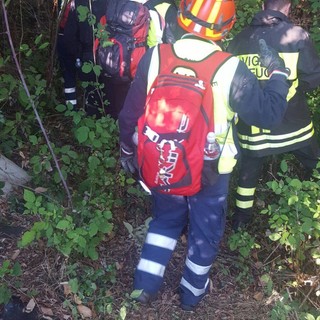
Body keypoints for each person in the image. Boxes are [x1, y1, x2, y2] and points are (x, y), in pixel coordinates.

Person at [118, 0, 290, 312]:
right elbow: (270, 114)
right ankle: (191, 294)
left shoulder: (156, 56)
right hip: (210, 171)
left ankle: (144, 286)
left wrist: (127, 151)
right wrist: (278, 71)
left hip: (162, 161)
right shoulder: (230, 68)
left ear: (182, 17)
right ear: (226, 28)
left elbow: (129, 115)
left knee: (165, 220)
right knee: (205, 231)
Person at [227, 0, 320, 231]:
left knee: (247, 176)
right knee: (314, 161)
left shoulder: (239, 39)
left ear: (262, 4)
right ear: (287, 8)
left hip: (253, 130)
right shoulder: (297, 35)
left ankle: (240, 221)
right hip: (293, 124)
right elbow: (313, 78)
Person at [57, 0, 107, 115]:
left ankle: (73, 111)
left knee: (72, 78)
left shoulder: (78, 4)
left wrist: (78, 54)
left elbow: (68, 34)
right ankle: (93, 116)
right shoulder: (107, 3)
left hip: (82, 49)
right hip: (101, 51)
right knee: (98, 86)